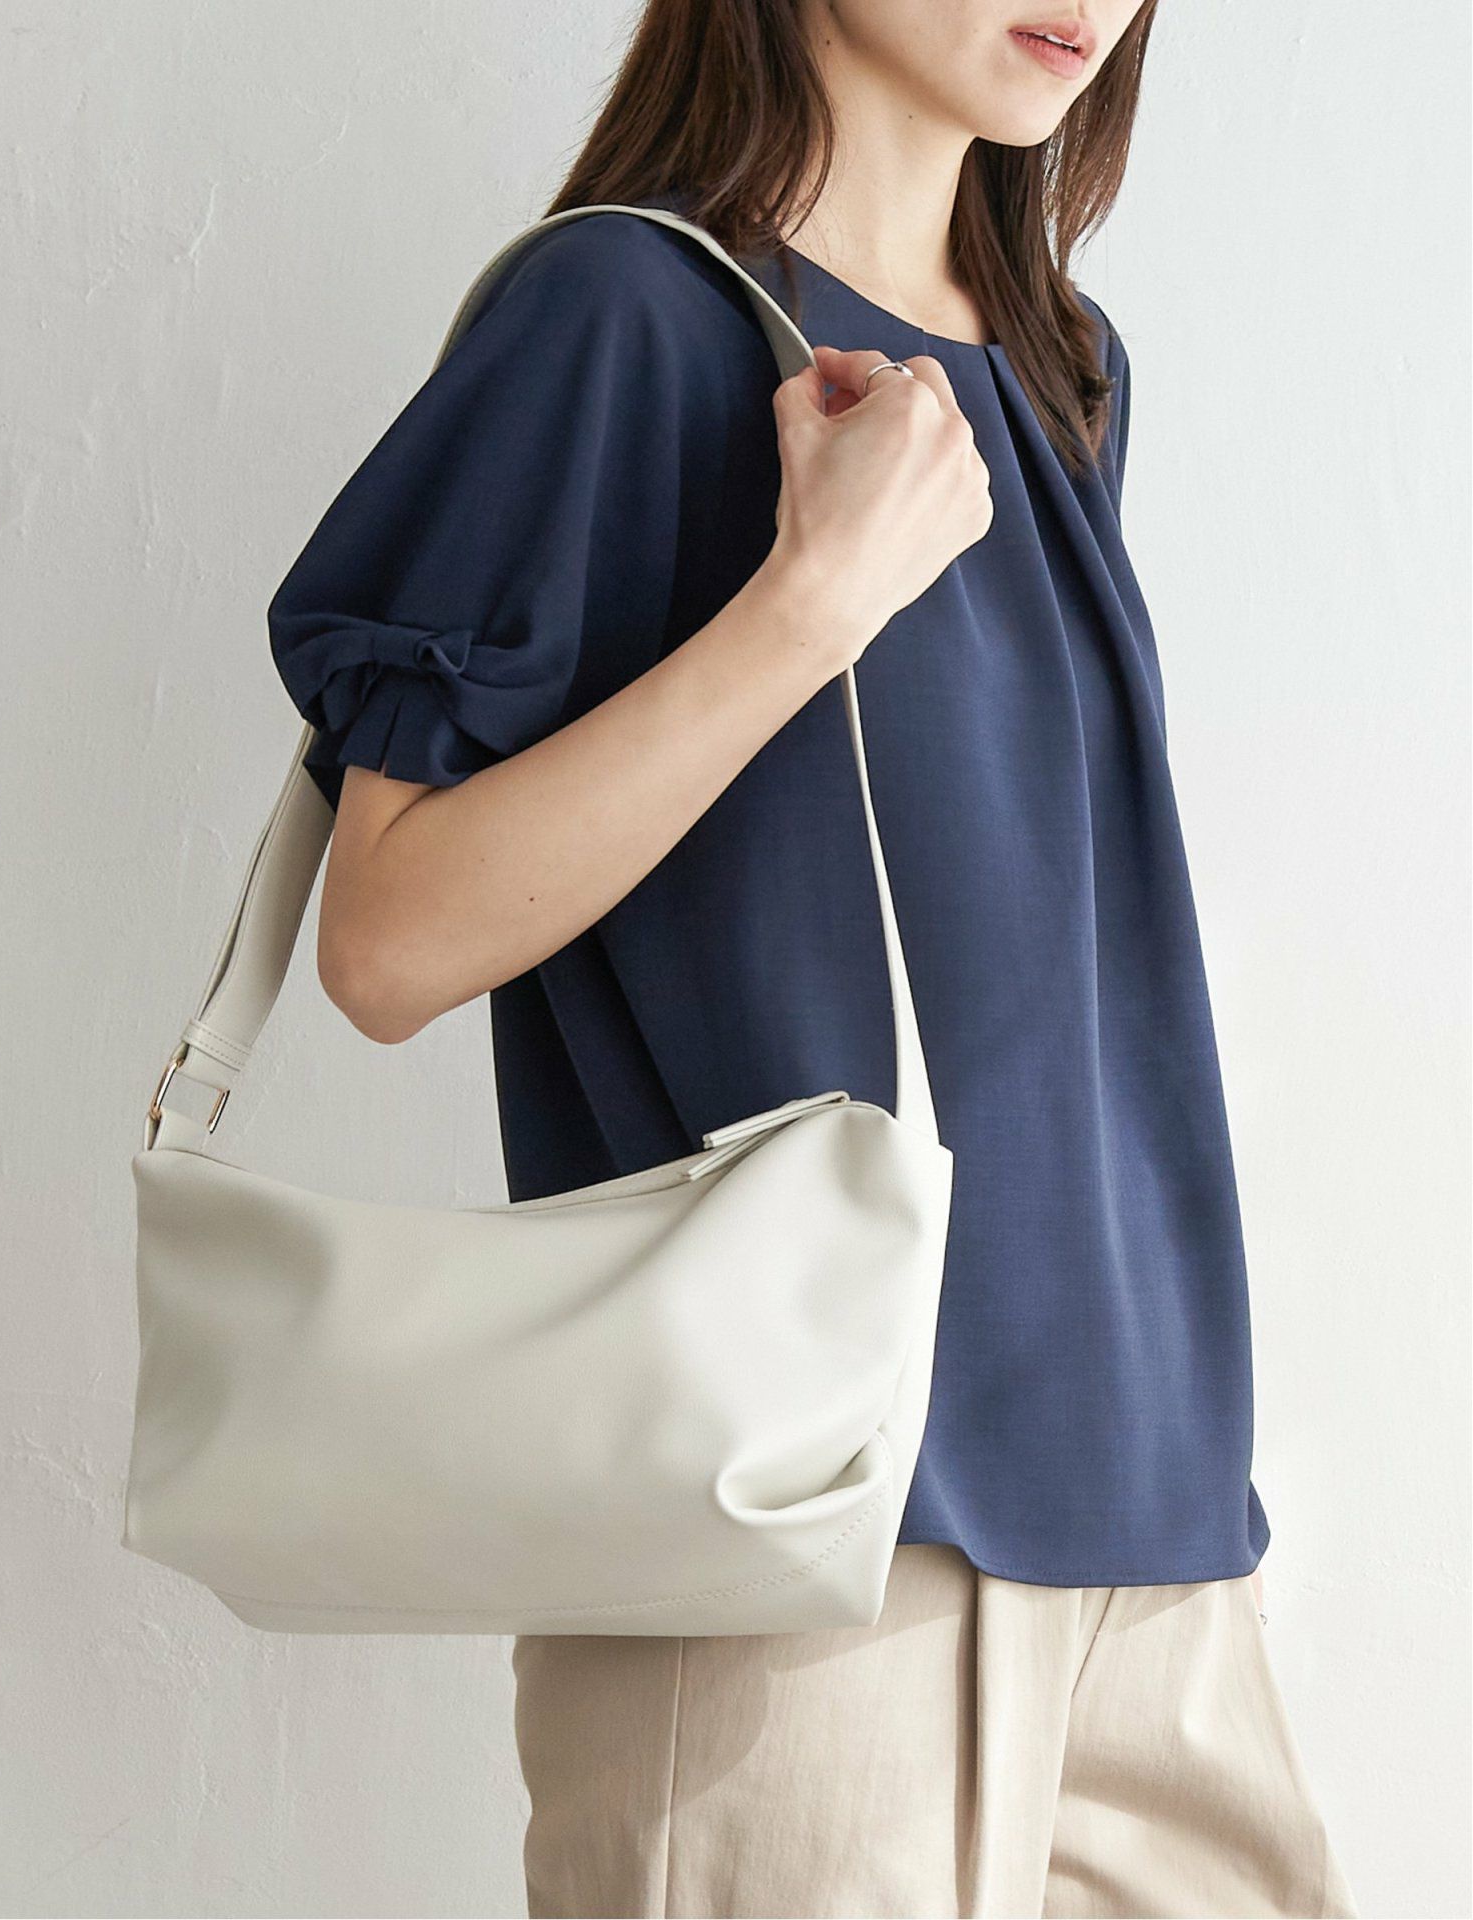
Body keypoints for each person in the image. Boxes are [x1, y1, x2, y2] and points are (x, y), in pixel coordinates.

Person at [267, 0, 1359, 1913]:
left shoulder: (1059, 372)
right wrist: (815, 597)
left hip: (1150, 1520)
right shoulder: (622, 316)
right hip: (797, 1548)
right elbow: (387, 937)